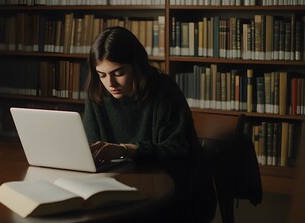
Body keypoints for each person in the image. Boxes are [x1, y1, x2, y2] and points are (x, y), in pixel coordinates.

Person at [82, 26, 216, 222]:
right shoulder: (97, 94)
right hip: (119, 183)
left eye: (118, 73)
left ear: (136, 66)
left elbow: (177, 148)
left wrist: (125, 150)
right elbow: (92, 146)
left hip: (175, 186)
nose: (110, 83)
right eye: (101, 74)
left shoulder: (164, 90)